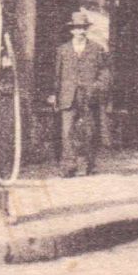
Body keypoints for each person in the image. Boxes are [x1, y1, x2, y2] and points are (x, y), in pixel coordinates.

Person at [50, 11, 111, 176]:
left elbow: (104, 73)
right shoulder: (62, 50)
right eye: (77, 28)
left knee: (89, 131)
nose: (80, 31)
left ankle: (90, 165)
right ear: (72, 31)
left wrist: (97, 87)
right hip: (68, 96)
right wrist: (55, 94)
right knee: (67, 132)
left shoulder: (96, 49)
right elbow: (57, 74)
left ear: (87, 29)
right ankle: (69, 167)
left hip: (89, 96)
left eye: (83, 28)